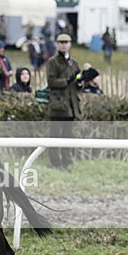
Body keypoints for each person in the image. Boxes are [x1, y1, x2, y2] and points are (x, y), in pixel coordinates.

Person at [45, 33, 81, 170]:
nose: (64, 45)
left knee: (68, 135)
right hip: (58, 104)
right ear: (57, 44)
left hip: (71, 105)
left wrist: (79, 83)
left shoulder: (74, 63)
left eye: (66, 42)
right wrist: (67, 81)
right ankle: (56, 162)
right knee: (55, 135)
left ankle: (67, 161)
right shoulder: (53, 62)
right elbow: (51, 81)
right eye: (61, 42)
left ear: (70, 44)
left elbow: (77, 84)